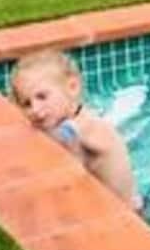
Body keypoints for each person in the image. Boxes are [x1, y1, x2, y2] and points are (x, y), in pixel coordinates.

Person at [9, 50, 140, 209]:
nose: (35, 109)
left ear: (72, 87)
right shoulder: (71, 119)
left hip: (130, 215)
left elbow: (63, 137)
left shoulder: (86, 127)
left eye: (42, 97)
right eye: (27, 104)